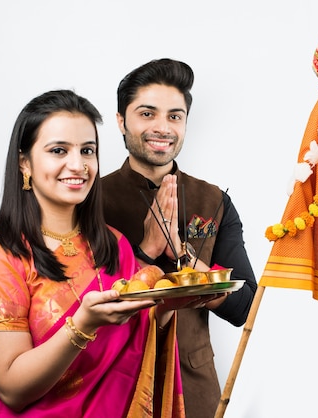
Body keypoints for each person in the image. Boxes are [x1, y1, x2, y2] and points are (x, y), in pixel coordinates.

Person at [0, 89, 188, 417]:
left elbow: (137, 346)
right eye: (59, 150)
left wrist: (167, 308)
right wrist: (82, 324)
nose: (78, 165)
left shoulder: (114, 245)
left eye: (88, 150)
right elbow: (12, 389)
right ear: (24, 162)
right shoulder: (1, 259)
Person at [102, 58, 258, 418]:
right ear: (121, 121)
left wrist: (182, 253)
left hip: (194, 387)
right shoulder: (89, 199)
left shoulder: (214, 201)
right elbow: (75, 299)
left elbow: (247, 307)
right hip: (112, 383)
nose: (162, 127)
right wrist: (146, 249)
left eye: (174, 116)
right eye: (147, 113)